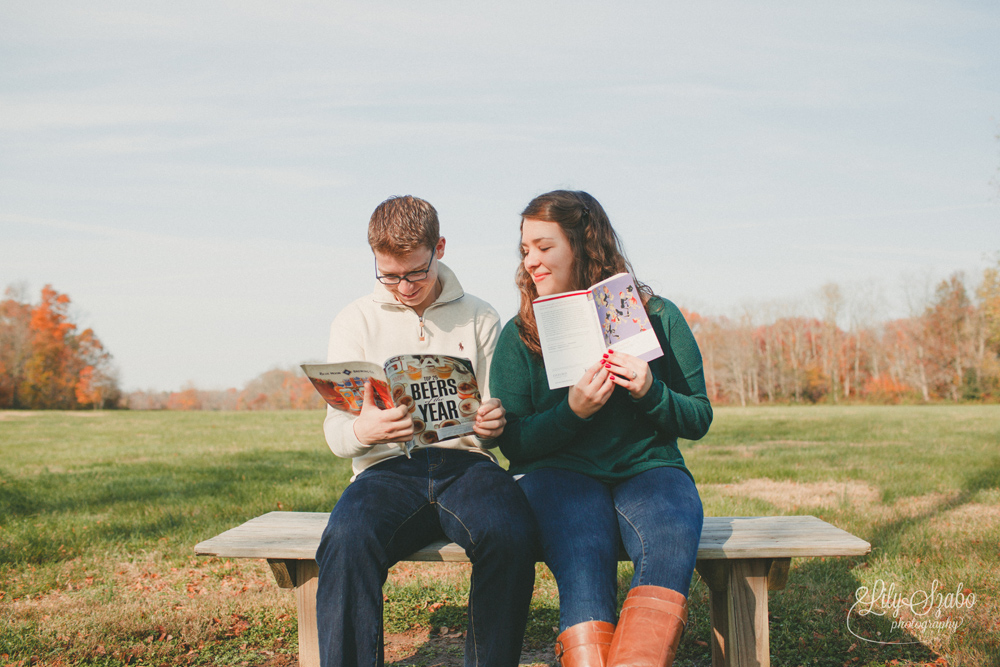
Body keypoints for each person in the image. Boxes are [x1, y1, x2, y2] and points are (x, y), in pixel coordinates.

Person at [490, 190, 713, 667]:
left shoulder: (658, 315)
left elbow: (698, 417)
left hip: (650, 469)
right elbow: (515, 442)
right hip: (557, 474)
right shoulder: (519, 334)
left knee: (671, 538)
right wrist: (573, 411)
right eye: (525, 248)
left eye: (544, 247)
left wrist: (651, 390)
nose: (531, 260)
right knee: (583, 557)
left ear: (582, 242)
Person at [314, 195, 537, 667]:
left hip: (469, 466)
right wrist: (365, 430)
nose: (404, 286)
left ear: (439, 247)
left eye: (416, 271)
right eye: (389, 275)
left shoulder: (480, 315)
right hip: (386, 469)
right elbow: (336, 435)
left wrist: (493, 426)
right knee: (346, 539)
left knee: (511, 532)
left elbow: (501, 412)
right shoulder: (353, 320)